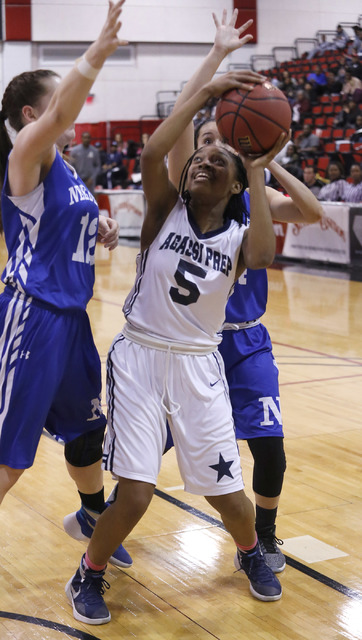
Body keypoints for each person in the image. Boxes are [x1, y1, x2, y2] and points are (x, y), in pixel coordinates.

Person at [66, 62, 289, 623]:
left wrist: (259, 170)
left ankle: (249, 552)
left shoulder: (240, 235)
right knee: (137, 493)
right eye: (199, 158)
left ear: (235, 185)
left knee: (228, 497)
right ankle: (86, 574)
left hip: (198, 365)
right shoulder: (166, 212)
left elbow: (263, 256)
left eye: (219, 162)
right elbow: (151, 154)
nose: (203, 163)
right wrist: (205, 93)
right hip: (140, 356)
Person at [164, 9, 322, 575]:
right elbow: (179, 133)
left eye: (224, 139)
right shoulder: (182, 207)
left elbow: (312, 211)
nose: (215, 144)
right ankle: (106, 510)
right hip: (189, 345)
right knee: (150, 443)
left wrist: (269, 163)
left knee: (271, 446)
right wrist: (213, 64)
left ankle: (266, 535)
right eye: (206, 139)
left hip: (247, 344)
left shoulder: (253, 201)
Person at [0, 0, 132, 569]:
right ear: (32, 114)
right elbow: (56, 121)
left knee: (86, 431)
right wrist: (97, 52)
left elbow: (67, 220)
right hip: (33, 315)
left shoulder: (67, 166)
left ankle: (91, 516)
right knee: (11, 455)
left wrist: (99, 225)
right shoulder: (26, 152)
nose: (71, 109)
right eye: (58, 100)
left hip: (72, 320)